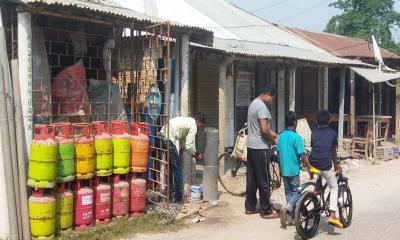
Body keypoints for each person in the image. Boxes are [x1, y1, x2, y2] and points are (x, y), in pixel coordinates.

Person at [245, 84, 279, 219]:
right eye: (272, 98)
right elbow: (264, 129)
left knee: (252, 179)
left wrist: (274, 134)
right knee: (264, 179)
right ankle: (266, 210)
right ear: (267, 94)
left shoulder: (253, 104)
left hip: (251, 146)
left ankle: (250, 206)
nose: (271, 101)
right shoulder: (262, 107)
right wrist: (272, 140)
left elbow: (258, 127)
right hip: (261, 148)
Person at [277, 111, 312, 228]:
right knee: (296, 192)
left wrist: (280, 168)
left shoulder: (280, 136)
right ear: (295, 123)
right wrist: (309, 167)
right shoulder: (297, 138)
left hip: (284, 170)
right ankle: (287, 209)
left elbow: (278, 153)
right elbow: (302, 154)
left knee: (288, 193)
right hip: (293, 170)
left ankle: (291, 219)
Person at [159, 113, 205, 203]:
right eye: (201, 125)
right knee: (178, 169)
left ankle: (171, 193)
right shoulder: (193, 126)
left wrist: (193, 154)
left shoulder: (188, 122)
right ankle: (178, 198)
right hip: (167, 139)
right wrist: (197, 153)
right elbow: (189, 145)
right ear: (198, 122)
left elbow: (185, 145)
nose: (200, 128)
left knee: (172, 167)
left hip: (161, 136)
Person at [309, 110, 343, 228]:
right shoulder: (333, 133)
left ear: (317, 121)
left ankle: (317, 189)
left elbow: (316, 148)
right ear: (329, 121)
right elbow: (333, 153)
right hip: (324, 164)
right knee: (334, 187)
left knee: (319, 170)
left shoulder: (314, 132)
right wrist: (336, 166)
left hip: (312, 162)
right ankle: (333, 215)